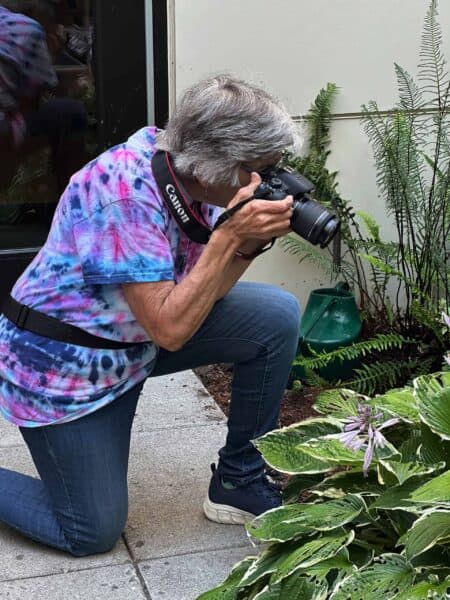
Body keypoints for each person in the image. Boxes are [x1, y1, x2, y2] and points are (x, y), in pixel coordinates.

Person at [0, 74, 301, 556]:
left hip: (134, 340)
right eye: (258, 170)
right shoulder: (122, 192)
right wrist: (227, 238)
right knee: (89, 530)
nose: (264, 182)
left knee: (275, 316)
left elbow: (207, 296)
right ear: (215, 165)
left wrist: (245, 244)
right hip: (68, 367)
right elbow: (172, 329)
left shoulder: (186, 173)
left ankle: (238, 479)